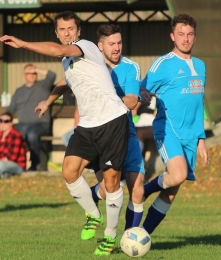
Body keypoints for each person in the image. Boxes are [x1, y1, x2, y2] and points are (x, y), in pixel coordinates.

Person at [0, 11, 129, 255]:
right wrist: (48, 101)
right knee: (69, 171)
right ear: (56, 33)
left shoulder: (85, 46)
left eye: (71, 28)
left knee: (111, 182)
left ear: (78, 32)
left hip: (112, 121)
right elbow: (66, 81)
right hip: (88, 125)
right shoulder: (67, 60)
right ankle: (93, 214)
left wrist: (24, 43)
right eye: (62, 29)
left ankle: (110, 236)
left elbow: (59, 51)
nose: (67, 33)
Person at [140, 14, 209, 235]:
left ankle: (142, 235)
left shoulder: (200, 65)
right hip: (168, 130)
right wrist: (142, 95)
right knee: (177, 175)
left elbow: (198, 104)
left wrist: (201, 139)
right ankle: (143, 190)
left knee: (171, 191)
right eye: (181, 34)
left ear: (194, 37)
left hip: (190, 135)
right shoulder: (163, 63)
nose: (185, 38)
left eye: (189, 34)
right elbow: (143, 87)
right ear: (172, 36)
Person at [88, 23, 145, 232]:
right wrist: (48, 101)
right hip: (101, 134)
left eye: (119, 42)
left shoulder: (131, 67)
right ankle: (93, 195)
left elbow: (131, 101)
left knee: (137, 189)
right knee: (106, 189)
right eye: (111, 43)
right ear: (100, 46)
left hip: (126, 132)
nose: (117, 47)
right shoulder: (90, 66)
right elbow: (67, 81)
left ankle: (130, 237)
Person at [6, 64, 56, 171]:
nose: (32, 75)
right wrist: (5, 122)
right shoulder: (19, 91)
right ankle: (10, 163)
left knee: (32, 134)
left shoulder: (43, 86)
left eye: (34, 73)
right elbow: (10, 110)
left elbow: (52, 75)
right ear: (24, 75)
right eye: (29, 73)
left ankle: (35, 164)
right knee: (10, 133)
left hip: (41, 124)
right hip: (22, 125)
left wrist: (36, 68)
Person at [0, 112, 26, 178]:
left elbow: (12, 157)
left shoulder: (16, 135)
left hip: (17, 165)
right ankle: (5, 175)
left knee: (1, 165)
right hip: (3, 163)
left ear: (11, 123)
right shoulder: (0, 135)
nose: (2, 123)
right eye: (0, 121)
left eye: (6, 121)